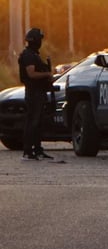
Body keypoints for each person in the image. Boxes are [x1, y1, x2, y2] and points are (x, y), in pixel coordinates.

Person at [18, 27, 55, 161]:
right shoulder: (28, 55)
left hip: (39, 92)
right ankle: (28, 151)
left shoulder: (34, 55)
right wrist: (47, 74)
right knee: (32, 122)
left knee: (38, 123)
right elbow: (31, 73)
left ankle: (38, 150)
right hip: (34, 93)